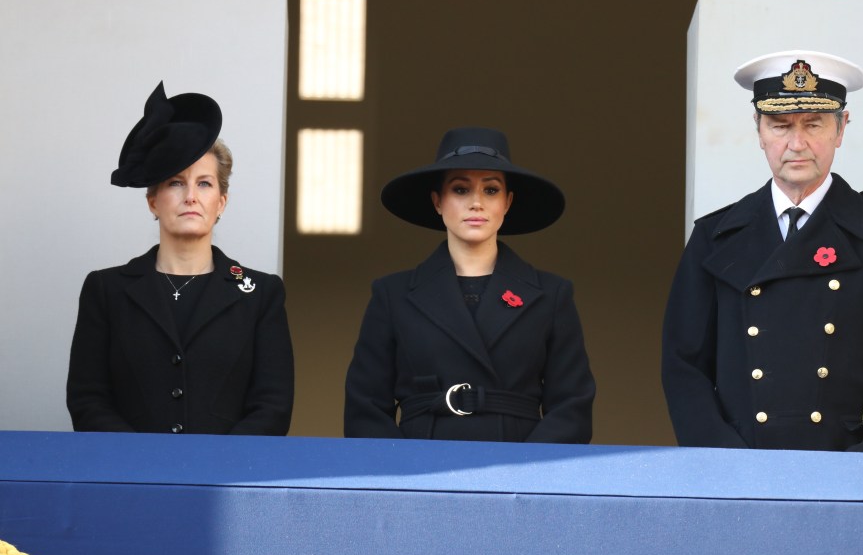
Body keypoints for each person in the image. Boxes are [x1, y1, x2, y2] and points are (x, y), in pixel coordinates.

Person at [661, 50, 863, 453]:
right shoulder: (715, 237)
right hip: (742, 471)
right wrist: (723, 466)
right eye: (780, 125)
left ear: (841, 128)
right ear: (758, 130)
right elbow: (683, 366)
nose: (797, 144)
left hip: (849, 470)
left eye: (814, 124)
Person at [66, 82, 294, 435]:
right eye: (175, 182)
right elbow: (87, 400)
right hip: (131, 479)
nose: (191, 196)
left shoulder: (261, 293)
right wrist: (144, 463)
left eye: (204, 184)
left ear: (221, 203)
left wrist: (214, 465)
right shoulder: (105, 289)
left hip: (226, 480)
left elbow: (273, 406)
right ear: (153, 201)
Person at [344, 127, 595, 442]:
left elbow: (572, 407)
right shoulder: (392, 295)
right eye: (460, 189)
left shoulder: (551, 295)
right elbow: (364, 409)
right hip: (422, 472)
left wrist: (526, 472)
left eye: (491, 190)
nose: (476, 203)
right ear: (437, 201)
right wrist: (406, 476)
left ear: (508, 202)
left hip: (518, 472)